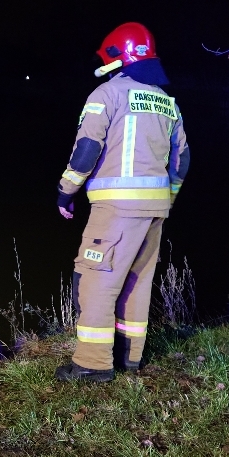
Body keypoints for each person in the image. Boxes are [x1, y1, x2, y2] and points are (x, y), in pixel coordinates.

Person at [55, 22, 190, 382]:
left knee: (95, 280)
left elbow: (87, 148)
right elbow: (182, 161)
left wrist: (66, 190)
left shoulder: (107, 94)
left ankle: (92, 364)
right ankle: (131, 358)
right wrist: (167, 199)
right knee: (136, 282)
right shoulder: (168, 102)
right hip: (155, 210)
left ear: (117, 57)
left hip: (116, 210)